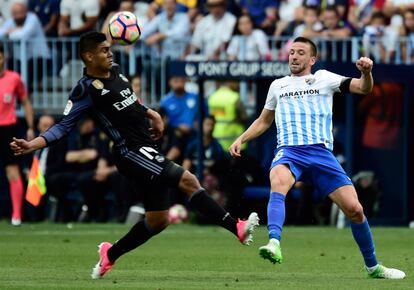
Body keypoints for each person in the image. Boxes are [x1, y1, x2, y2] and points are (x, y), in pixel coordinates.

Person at [9, 31, 259, 279]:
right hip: (130, 152)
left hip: (146, 147)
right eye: (104, 50)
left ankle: (110, 254)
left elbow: (131, 101)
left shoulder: (116, 71)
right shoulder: (85, 90)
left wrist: (152, 114)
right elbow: (63, 125)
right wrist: (33, 144)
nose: (110, 53)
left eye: (109, 48)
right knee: (188, 180)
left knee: (158, 221)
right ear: (88, 56)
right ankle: (236, 226)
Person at [229, 36, 406, 279]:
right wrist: (242, 138)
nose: (294, 56)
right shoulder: (278, 86)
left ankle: (373, 267)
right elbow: (264, 121)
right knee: (278, 184)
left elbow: (363, 88)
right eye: (291, 52)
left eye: (300, 52)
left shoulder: (324, 78)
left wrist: (366, 73)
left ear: (312, 59)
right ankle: (274, 242)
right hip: (290, 151)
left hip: (321, 153)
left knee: (355, 210)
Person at [0, 43, 34, 226]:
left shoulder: (14, 78)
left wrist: (30, 126)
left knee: (12, 172)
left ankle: (16, 215)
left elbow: (26, 101)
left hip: (7, 129)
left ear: (3, 57)